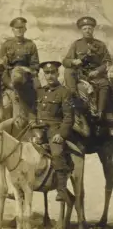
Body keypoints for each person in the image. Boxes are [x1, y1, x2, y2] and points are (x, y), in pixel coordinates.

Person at [36, 61, 74, 203]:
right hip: (38, 130)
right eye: (47, 73)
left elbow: (68, 117)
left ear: (58, 74)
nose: (50, 76)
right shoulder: (41, 91)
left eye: (52, 73)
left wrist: (61, 134)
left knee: (57, 153)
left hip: (54, 130)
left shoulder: (64, 92)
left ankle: (61, 189)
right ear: (43, 74)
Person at [63, 17, 112, 119]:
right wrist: (73, 61)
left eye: (89, 28)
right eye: (85, 29)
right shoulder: (76, 44)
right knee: (68, 72)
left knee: (105, 84)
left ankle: (100, 113)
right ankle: (74, 98)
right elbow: (65, 61)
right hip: (81, 74)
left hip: (96, 76)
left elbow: (107, 61)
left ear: (93, 30)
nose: (87, 31)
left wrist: (98, 71)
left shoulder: (100, 45)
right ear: (81, 30)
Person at [0, 17, 40, 82]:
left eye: (21, 27)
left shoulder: (31, 45)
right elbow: (2, 65)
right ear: (12, 29)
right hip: (10, 77)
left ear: (25, 29)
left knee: (37, 88)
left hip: (26, 76)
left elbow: (35, 66)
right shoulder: (6, 45)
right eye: (16, 28)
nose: (19, 30)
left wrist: (26, 70)